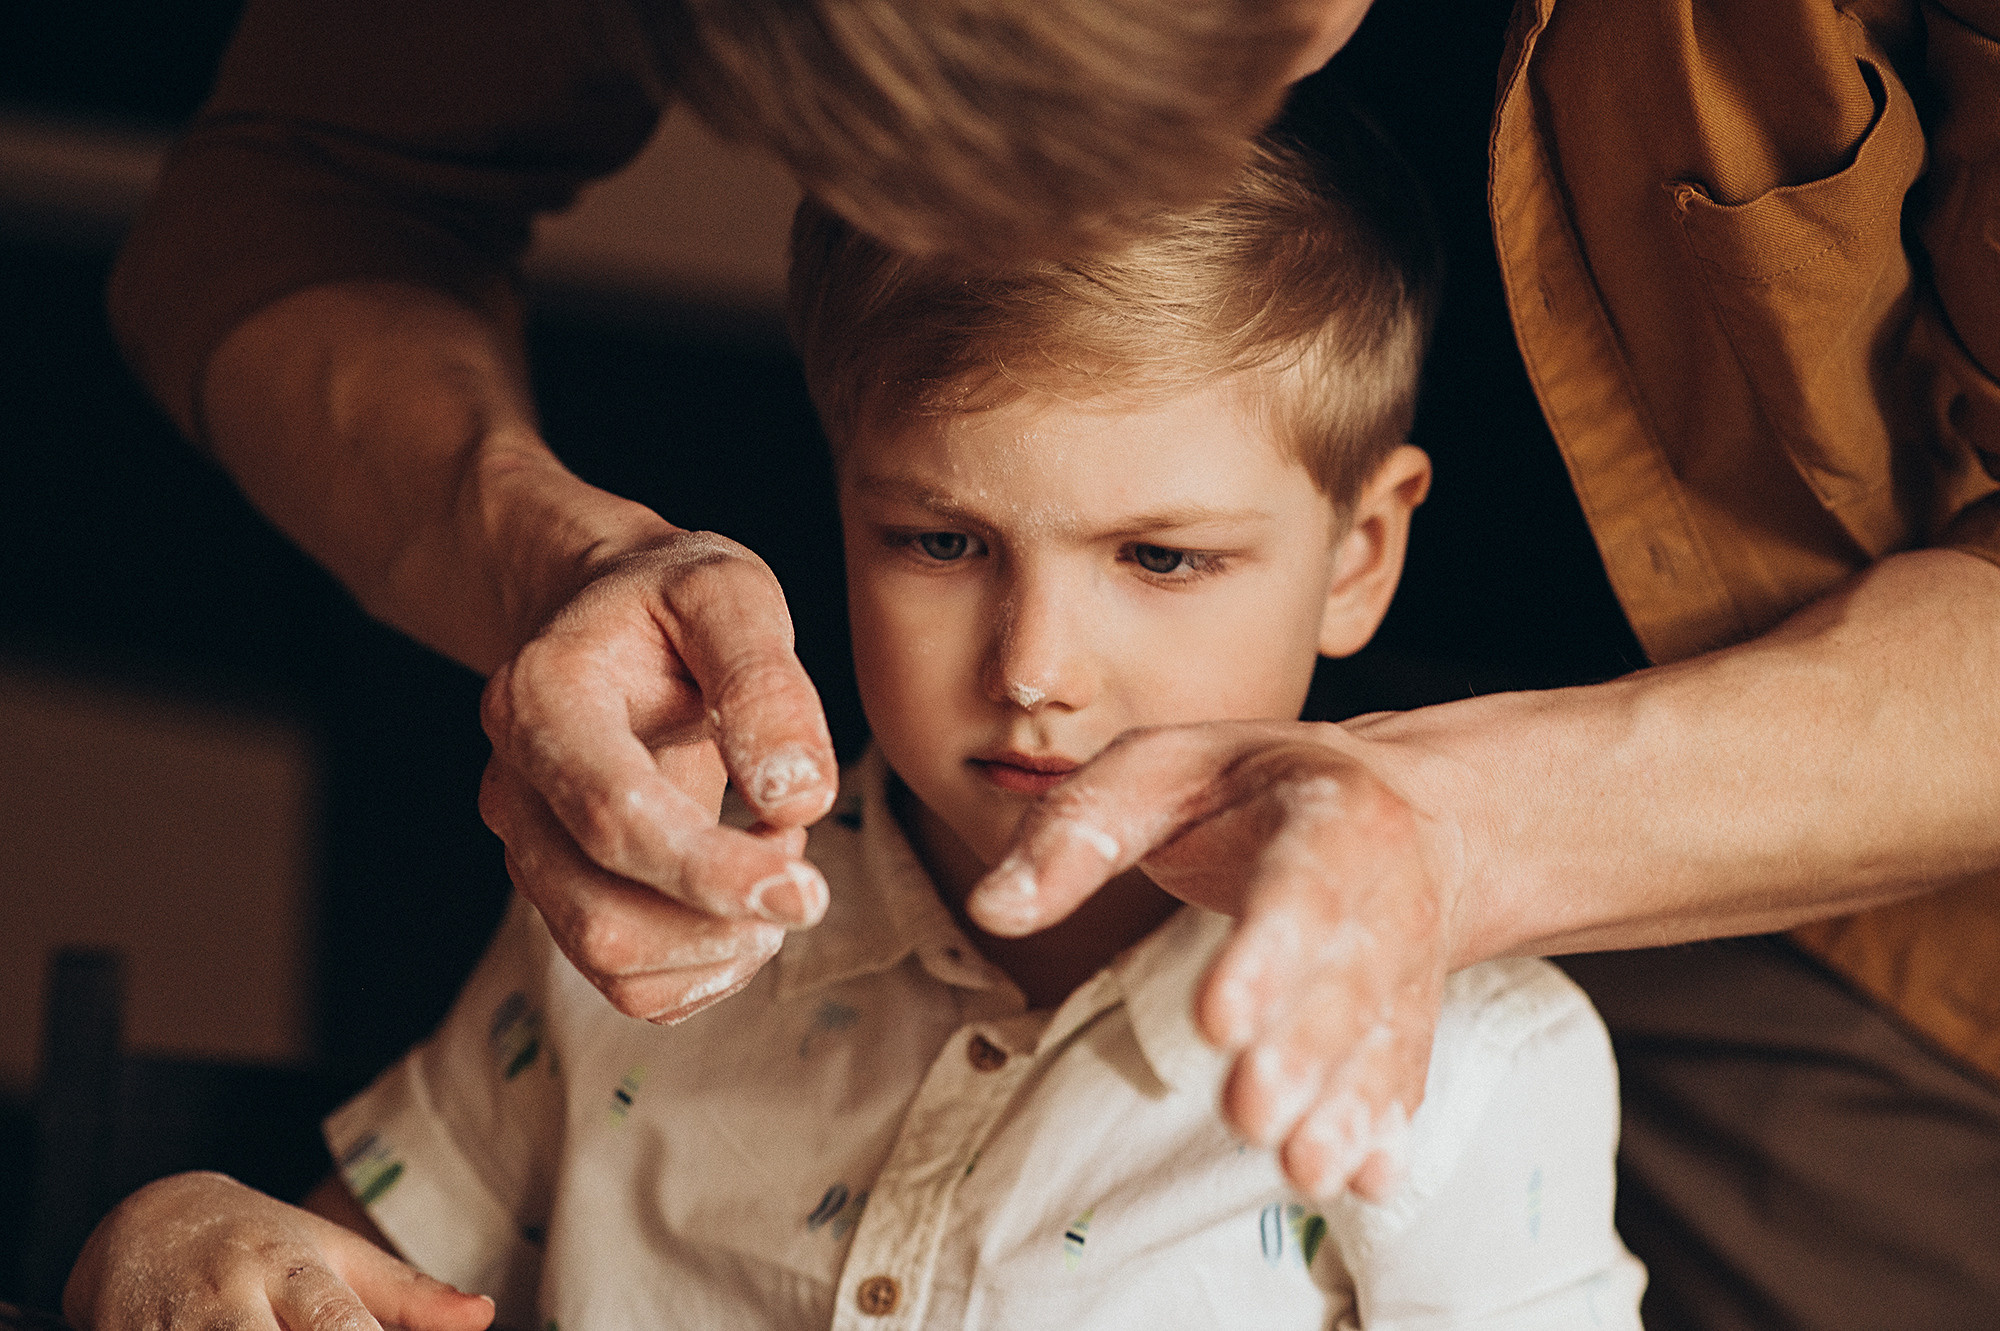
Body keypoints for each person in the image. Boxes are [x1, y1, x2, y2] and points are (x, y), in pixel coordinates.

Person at [107, 0, 2000, 1321]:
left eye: (1159, 558)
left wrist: (1458, 827)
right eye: (938, 539)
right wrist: (170, 1232)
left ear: (1364, 552)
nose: (1033, 670)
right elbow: (305, 183)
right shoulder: (642, 945)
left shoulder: (1479, 1083)